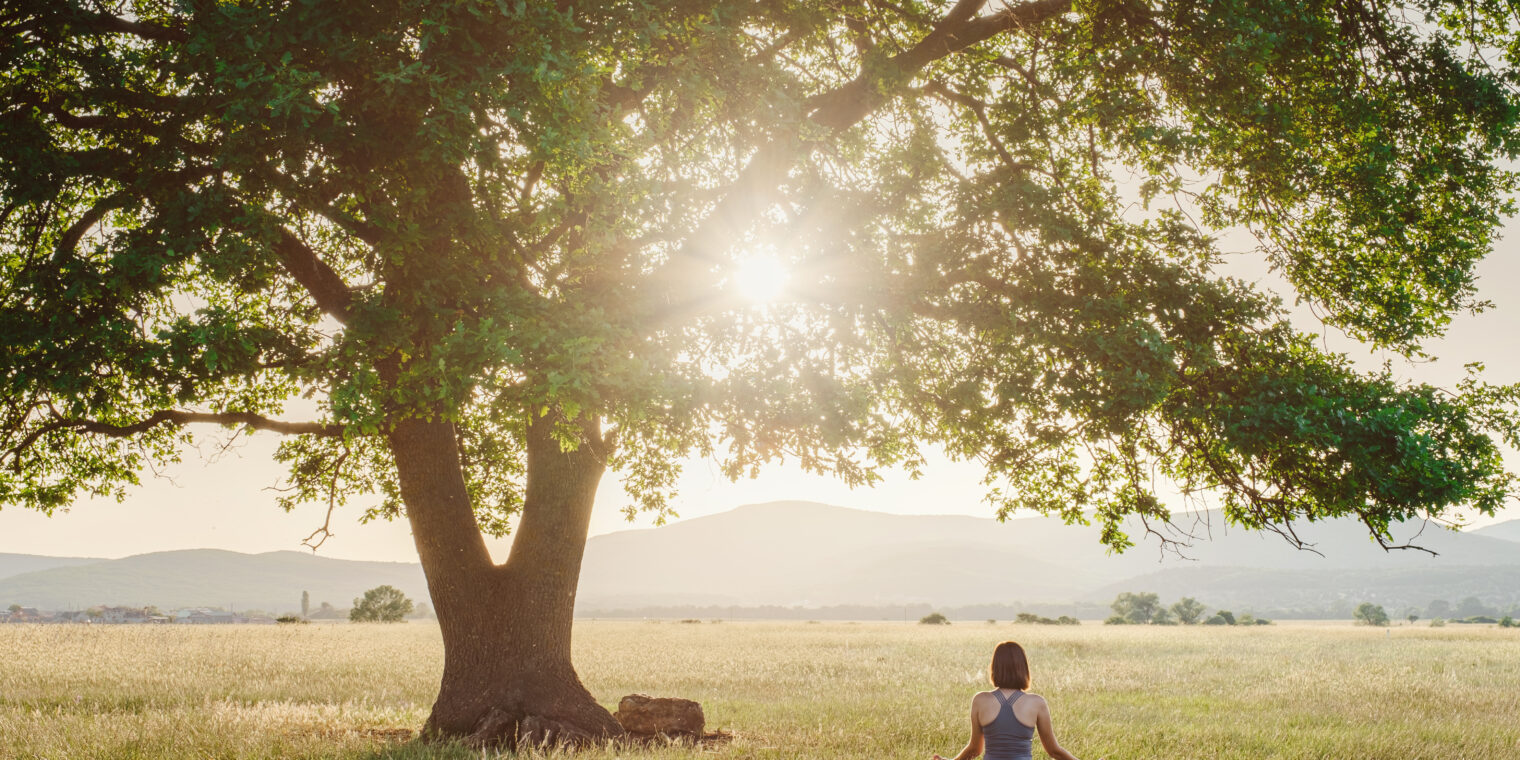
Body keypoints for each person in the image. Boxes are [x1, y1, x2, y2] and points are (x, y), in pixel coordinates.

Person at [932, 640, 1089, 760]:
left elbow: (974, 749)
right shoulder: (1037, 703)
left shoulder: (980, 700)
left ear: (994, 667)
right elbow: (1054, 751)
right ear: (1023, 668)